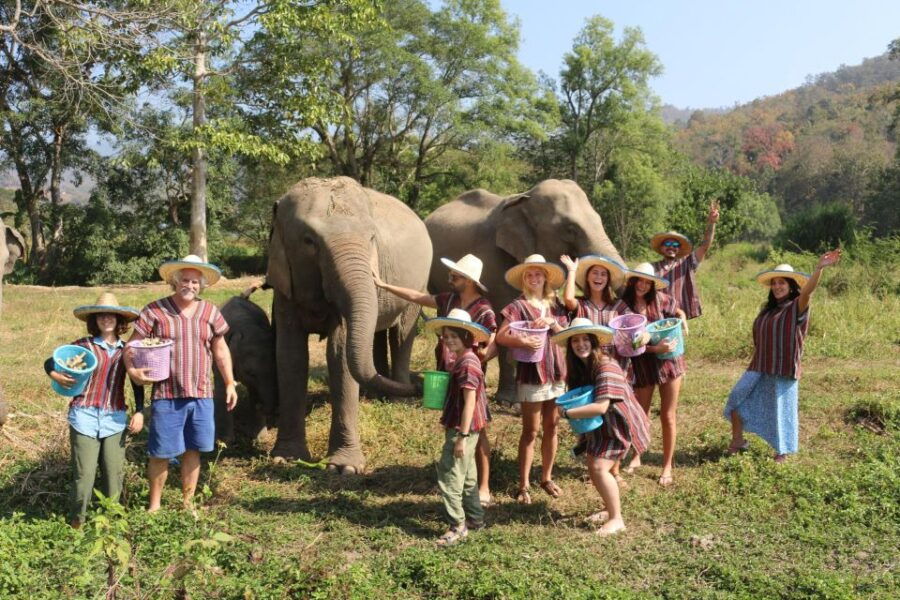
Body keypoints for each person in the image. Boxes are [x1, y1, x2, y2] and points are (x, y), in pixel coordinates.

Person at [373, 253, 498, 506]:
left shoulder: (483, 309)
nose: (450, 278)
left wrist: (486, 354)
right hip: (447, 375)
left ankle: (484, 486)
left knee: (479, 429)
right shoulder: (448, 299)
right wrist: (384, 285)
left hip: (470, 377)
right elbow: (418, 297)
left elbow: (493, 340)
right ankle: (457, 477)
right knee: (453, 425)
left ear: (470, 281)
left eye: (456, 276)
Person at [124, 255, 238, 512]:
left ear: (202, 285)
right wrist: (133, 369)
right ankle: (154, 506)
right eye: (185, 280)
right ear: (175, 282)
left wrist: (230, 382)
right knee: (160, 452)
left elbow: (220, 349)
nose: (190, 285)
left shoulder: (210, 311)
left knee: (194, 449)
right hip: (166, 393)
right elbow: (132, 345)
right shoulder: (155, 310)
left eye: (195, 282)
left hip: (201, 393)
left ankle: (188, 504)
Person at [724, 250, 841, 462]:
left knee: (781, 412)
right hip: (759, 365)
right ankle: (738, 441)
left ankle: (782, 452)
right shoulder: (768, 310)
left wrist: (819, 268)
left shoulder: (796, 306)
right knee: (736, 399)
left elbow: (808, 292)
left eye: (782, 283)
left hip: (783, 367)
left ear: (791, 286)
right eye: (774, 283)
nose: (777, 287)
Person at [44, 292, 145, 528]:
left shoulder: (127, 350)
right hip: (84, 415)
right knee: (84, 474)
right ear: (95, 319)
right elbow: (51, 361)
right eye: (101, 315)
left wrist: (140, 411)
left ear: (119, 320)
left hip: (115, 417)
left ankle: (112, 522)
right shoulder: (83, 346)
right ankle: (77, 521)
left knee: (113, 474)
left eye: (111, 315)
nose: (106, 319)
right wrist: (54, 373)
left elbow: (136, 382)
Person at [552, 319, 650, 536]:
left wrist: (564, 413)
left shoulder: (607, 366)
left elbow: (600, 406)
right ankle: (608, 510)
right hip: (601, 425)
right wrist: (582, 435)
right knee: (593, 464)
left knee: (599, 467)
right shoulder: (580, 368)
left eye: (585, 339)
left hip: (619, 424)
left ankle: (617, 519)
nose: (580, 344)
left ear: (594, 342)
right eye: (575, 341)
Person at [495, 254, 568, 504]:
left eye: (538, 274)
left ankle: (546, 477)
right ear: (524, 279)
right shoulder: (516, 306)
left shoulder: (555, 304)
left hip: (557, 371)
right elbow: (501, 336)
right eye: (529, 274)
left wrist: (552, 323)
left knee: (553, 426)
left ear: (546, 277)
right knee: (531, 430)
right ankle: (523, 484)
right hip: (531, 373)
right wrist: (522, 340)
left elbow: (567, 333)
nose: (534, 278)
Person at [424, 309, 491, 546]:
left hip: (463, 429)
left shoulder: (467, 364)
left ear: (466, 336)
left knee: (450, 477)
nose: (449, 340)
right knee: (469, 476)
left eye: (454, 335)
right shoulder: (465, 358)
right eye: (445, 336)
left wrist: (461, 436)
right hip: (469, 428)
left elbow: (470, 401)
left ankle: (457, 526)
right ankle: (475, 519)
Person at [615, 263, 687, 487]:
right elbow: (627, 343)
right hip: (643, 364)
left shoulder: (662, 300)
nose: (643, 285)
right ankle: (638, 454)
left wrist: (683, 320)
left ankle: (667, 466)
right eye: (639, 280)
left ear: (653, 284)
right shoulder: (623, 307)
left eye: (648, 282)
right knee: (641, 414)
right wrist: (655, 349)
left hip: (670, 364)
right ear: (632, 281)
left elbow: (677, 312)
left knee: (668, 416)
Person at [650, 199, 720, 320]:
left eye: (675, 245)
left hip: (678, 318)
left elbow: (704, 246)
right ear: (661, 248)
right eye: (667, 243)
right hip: (656, 318)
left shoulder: (686, 263)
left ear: (679, 249)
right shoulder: (652, 267)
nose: (671, 247)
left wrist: (711, 223)